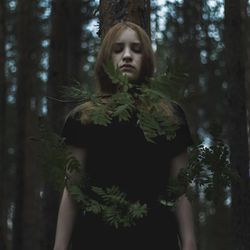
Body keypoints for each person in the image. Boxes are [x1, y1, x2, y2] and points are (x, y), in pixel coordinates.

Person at [53, 21, 197, 250]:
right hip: (94, 241)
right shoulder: (83, 118)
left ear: (147, 59)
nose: (127, 56)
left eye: (136, 49)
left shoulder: (170, 116)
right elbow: (73, 191)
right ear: (106, 60)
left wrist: (189, 243)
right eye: (118, 49)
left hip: (156, 240)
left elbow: (179, 190)